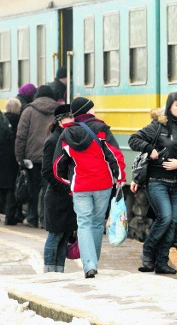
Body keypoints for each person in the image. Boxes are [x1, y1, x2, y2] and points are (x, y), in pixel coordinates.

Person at [53, 96, 127, 278]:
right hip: (102, 184)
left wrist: (68, 181)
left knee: (83, 223)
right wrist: (120, 177)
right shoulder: (102, 129)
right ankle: (94, 263)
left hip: (80, 186)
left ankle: (89, 265)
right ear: (89, 111)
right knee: (96, 223)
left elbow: (58, 165)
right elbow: (115, 155)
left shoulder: (66, 134)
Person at [129, 92, 177, 275]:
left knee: (173, 223)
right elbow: (134, 139)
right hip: (157, 181)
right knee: (165, 218)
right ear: (169, 107)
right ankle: (148, 252)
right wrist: (150, 149)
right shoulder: (157, 126)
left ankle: (161, 262)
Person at [15, 85, 60, 228]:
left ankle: (32, 218)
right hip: (52, 157)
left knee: (33, 190)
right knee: (49, 190)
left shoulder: (28, 110)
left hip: (31, 159)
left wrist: (19, 157)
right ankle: (46, 221)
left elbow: (21, 136)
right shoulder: (59, 111)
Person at [42, 104, 77, 273]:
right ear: (60, 120)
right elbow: (47, 172)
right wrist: (66, 188)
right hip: (57, 197)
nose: (72, 120)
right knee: (55, 235)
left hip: (67, 196)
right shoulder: (53, 141)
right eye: (69, 117)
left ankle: (59, 271)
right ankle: (49, 272)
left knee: (64, 236)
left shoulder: (66, 138)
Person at [3, 98, 21, 225]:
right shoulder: (20, 120)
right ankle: (10, 216)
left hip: (1, 156)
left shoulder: (2, 120)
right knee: (11, 187)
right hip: (13, 157)